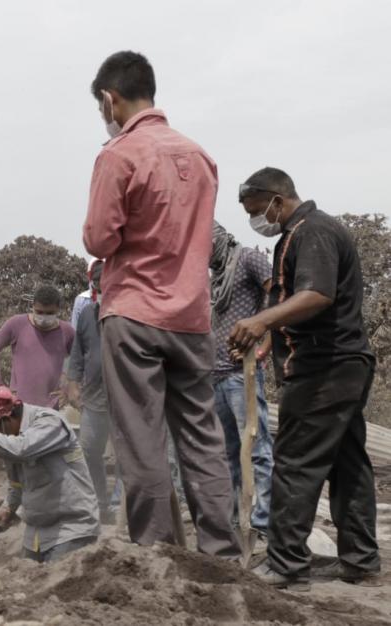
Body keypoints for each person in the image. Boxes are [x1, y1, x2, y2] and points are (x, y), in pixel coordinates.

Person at [81, 50, 240, 558]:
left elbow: (99, 240)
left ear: (110, 99)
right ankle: (221, 551)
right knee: (202, 438)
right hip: (192, 319)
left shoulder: (118, 156)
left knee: (141, 439)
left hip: (134, 317)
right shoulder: (201, 157)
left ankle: (158, 553)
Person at [230, 167, 381, 590]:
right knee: (348, 463)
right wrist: (271, 338)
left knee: (295, 463)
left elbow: (316, 295)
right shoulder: (301, 233)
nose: (257, 220)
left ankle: (287, 564)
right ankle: (361, 561)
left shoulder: (311, 231)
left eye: (258, 210)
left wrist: (261, 321)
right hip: (342, 363)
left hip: (324, 368)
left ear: (277, 199)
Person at [0, 387, 99, 563]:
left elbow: (21, 449)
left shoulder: (50, 423)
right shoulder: (13, 435)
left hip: (70, 530)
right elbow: (16, 481)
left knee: (53, 586)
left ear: (7, 417)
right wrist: (10, 507)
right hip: (37, 533)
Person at [209, 221, 274, 535]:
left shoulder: (249, 258)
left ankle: (263, 522)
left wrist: (263, 349)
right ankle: (237, 519)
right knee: (229, 452)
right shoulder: (217, 275)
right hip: (216, 374)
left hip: (242, 372)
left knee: (258, 449)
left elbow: (279, 300)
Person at [66, 261, 112, 522]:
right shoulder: (86, 315)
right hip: (93, 398)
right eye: (97, 286)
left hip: (124, 399)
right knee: (88, 451)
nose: (101, 291)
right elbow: (77, 354)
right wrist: (72, 384)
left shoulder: (130, 314)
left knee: (130, 454)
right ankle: (100, 504)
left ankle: (123, 505)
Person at [0, 284, 75, 408]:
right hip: (19, 405)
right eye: (39, 312)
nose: (44, 317)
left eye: (49, 313)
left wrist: (68, 388)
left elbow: (80, 361)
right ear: (32, 306)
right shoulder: (17, 324)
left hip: (51, 407)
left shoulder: (67, 331)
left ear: (58, 309)